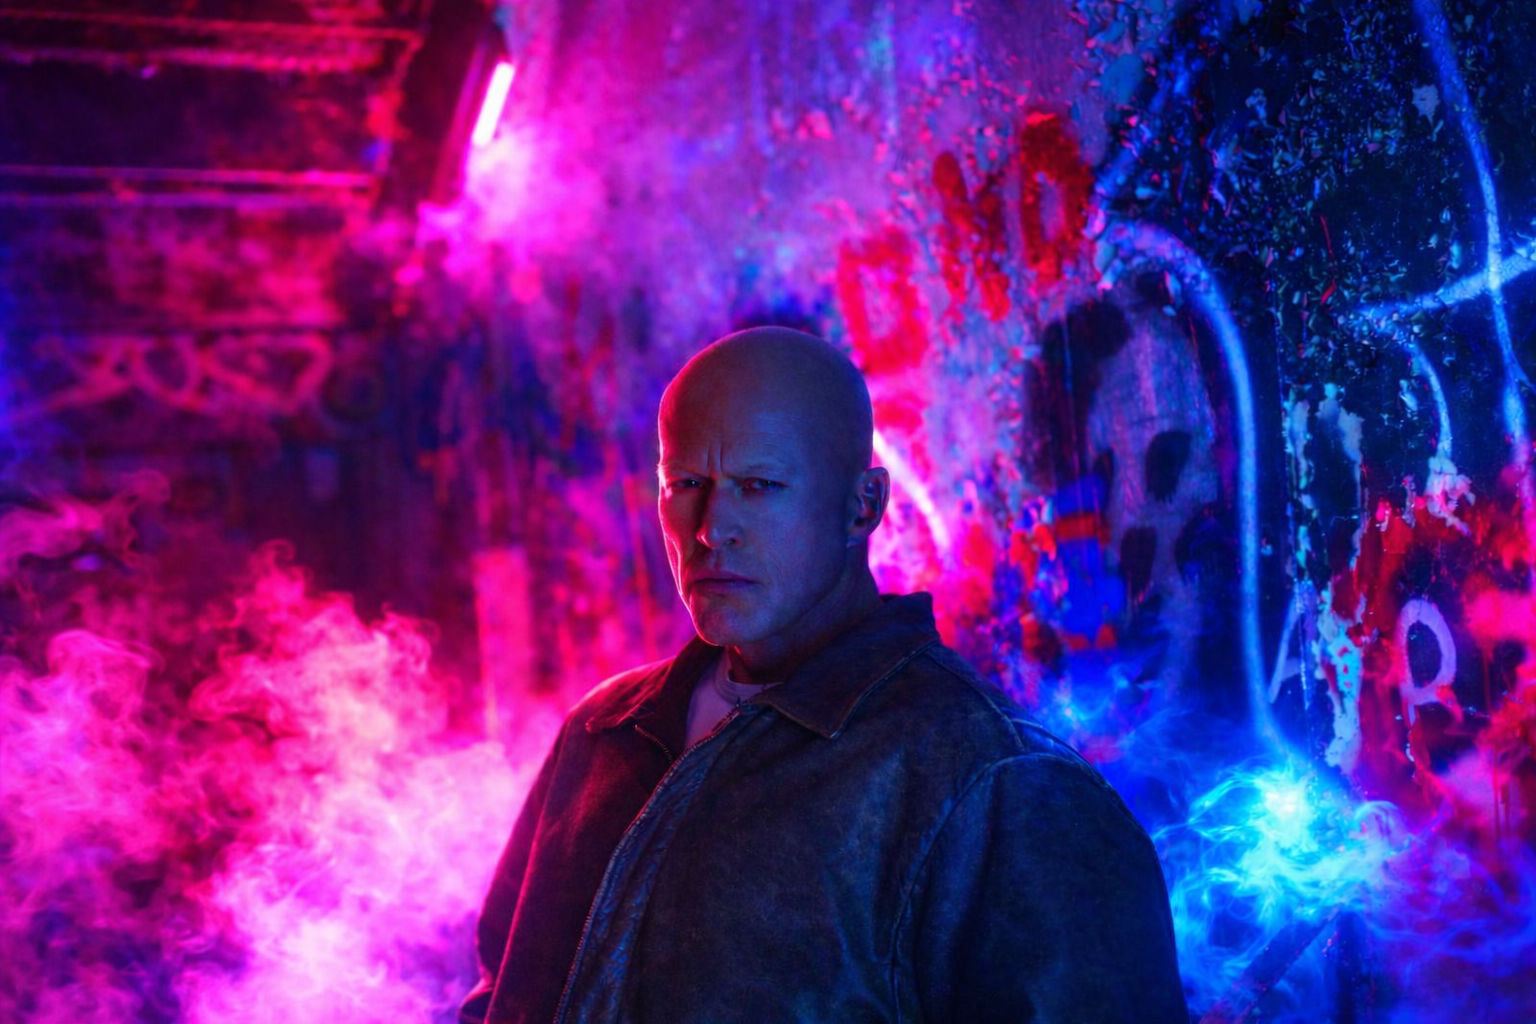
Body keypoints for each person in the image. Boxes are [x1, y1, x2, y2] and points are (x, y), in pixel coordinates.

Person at [461, 326, 1187, 1024]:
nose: (710, 528)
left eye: (760, 484)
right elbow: (498, 994)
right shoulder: (604, 732)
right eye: (685, 482)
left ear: (863, 506)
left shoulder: (994, 781)